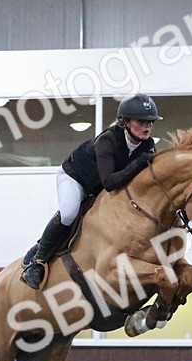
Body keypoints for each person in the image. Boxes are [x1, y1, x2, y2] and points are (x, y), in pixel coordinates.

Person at [20, 94, 162, 290]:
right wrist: (139, 162)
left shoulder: (147, 144)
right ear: (125, 122)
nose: (147, 126)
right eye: (141, 121)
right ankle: (37, 261)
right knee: (69, 212)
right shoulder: (108, 140)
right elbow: (110, 182)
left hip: (98, 188)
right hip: (75, 178)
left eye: (150, 122)